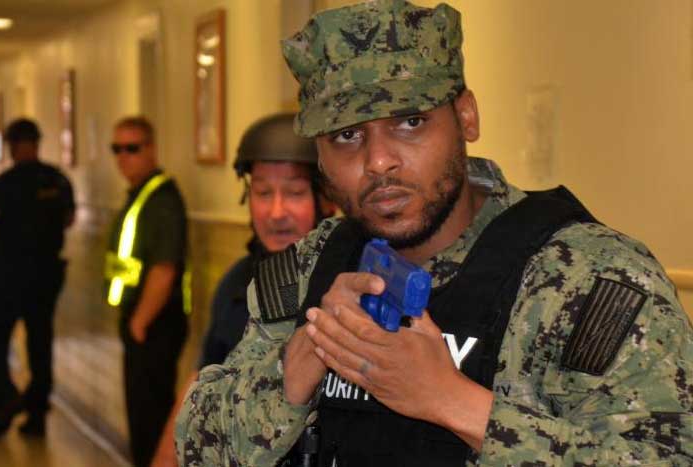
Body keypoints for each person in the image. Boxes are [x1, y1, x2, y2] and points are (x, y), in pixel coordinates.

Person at [177, 1, 693, 466]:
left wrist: (454, 402)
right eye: (347, 135)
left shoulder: (588, 280)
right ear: (320, 156)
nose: (379, 161)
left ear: (465, 117)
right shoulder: (310, 268)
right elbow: (200, 449)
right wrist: (298, 366)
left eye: (410, 122)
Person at [150, 113, 335, 467]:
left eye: (295, 192)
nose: (276, 212)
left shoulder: (345, 282)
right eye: (263, 192)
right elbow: (200, 384)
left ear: (325, 197)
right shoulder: (238, 283)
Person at [0, 119, 74, 438]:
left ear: (13, 146)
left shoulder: (6, 182)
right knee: (40, 340)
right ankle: (37, 414)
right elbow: (69, 219)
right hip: (48, 272)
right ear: (37, 143)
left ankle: (8, 397)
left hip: (12, 273)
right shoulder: (58, 179)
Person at [105, 116, 189, 467]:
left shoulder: (161, 199)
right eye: (117, 149)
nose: (123, 157)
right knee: (141, 417)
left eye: (132, 148)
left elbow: (164, 268)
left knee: (150, 419)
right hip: (142, 322)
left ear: (151, 149)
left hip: (155, 324)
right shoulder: (140, 195)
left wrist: (139, 324)